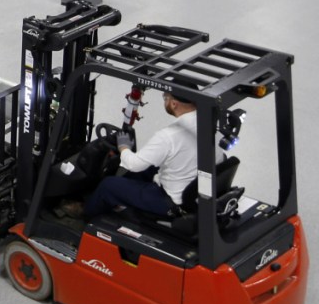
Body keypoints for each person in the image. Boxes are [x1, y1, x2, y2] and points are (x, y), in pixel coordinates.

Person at [68, 89, 223, 219]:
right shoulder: (210, 126)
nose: (165, 101)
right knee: (147, 169)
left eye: (165, 98)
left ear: (174, 104)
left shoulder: (168, 136)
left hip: (172, 202)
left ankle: (86, 215)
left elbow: (133, 164)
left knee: (108, 185)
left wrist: (123, 147)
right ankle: (120, 199)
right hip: (192, 188)